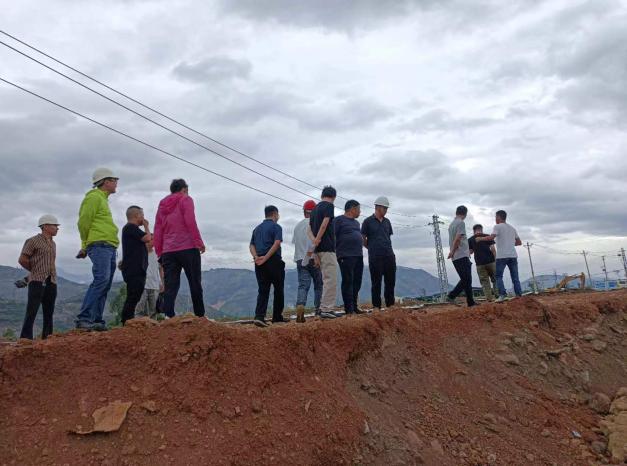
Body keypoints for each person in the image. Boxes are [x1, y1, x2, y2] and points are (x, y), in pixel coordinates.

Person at [75, 168, 120, 331]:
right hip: (100, 245)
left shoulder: (102, 199)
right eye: (114, 180)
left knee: (105, 283)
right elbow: (83, 223)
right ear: (106, 181)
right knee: (101, 280)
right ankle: (84, 318)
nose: (116, 183)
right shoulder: (93, 197)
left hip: (108, 246)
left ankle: (96, 320)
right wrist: (84, 245)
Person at [154, 179, 206, 318]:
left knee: (171, 285)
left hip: (168, 251)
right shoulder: (186, 199)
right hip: (188, 247)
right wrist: (199, 242)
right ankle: (200, 316)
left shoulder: (162, 204)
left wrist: (160, 251)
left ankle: (168, 316)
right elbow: (190, 221)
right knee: (195, 282)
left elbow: (158, 228)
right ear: (184, 189)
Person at [17, 215, 60, 339]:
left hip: (51, 280)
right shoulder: (33, 241)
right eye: (55, 226)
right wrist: (34, 270)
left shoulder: (53, 243)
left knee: (49, 311)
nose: (57, 228)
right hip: (37, 280)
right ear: (45, 226)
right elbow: (22, 259)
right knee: (32, 311)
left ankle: (48, 338)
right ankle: (25, 339)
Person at [249, 205, 286, 327]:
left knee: (263, 290)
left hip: (259, 262)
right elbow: (277, 243)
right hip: (273, 260)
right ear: (275, 214)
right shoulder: (277, 227)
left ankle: (259, 316)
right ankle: (277, 317)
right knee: (278, 289)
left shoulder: (257, 229)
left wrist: (256, 258)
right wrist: (266, 257)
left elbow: (251, 245)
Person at [477, 210, 522, 301]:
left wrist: (480, 239)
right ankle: (519, 295)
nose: (495, 219)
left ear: (498, 217)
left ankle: (502, 295)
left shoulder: (497, 226)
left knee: (498, 276)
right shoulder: (512, 228)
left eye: (495, 217)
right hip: (513, 255)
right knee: (515, 277)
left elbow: (491, 237)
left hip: (502, 256)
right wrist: (509, 244)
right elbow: (519, 242)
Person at [310, 186, 340, 318]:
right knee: (331, 279)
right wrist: (319, 238)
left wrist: (314, 242)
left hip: (318, 249)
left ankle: (324, 308)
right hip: (327, 247)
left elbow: (308, 229)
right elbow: (325, 223)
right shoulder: (329, 206)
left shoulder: (314, 209)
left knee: (325, 278)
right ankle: (326, 309)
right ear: (333, 197)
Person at [361, 196, 396, 311]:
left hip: (389, 256)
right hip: (375, 257)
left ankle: (390, 306)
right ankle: (376, 307)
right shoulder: (367, 222)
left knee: (390, 282)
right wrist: (371, 247)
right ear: (377, 207)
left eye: (386, 208)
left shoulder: (387, 222)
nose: (386, 210)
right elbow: (363, 239)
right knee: (376, 283)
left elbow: (387, 237)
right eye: (384, 208)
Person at [292, 200, 323, 323]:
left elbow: (296, 243)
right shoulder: (316, 224)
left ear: (304, 212)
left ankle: (300, 306)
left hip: (300, 259)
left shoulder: (297, 226)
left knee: (303, 285)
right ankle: (318, 309)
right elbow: (316, 242)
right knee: (318, 284)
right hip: (313, 257)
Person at [120, 206, 151, 324]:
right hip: (134, 269)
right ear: (136, 215)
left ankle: (128, 319)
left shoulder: (132, 229)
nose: (143, 218)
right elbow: (148, 238)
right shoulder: (130, 228)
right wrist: (146, 226)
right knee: (133, 295)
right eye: (142, 215)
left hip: (137, 268)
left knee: (135, 295)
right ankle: (126, 320)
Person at [335, 200, 364, 315]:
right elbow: (333, 236)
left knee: (357, 281)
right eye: (359, 209)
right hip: (345, 255)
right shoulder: (339, 220)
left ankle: (355, 306)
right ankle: (349, 309)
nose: (360, 212)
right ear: (352, 209)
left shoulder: (357, 223)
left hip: (358, 255)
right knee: (348, 281)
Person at [447, 206, 477, 307]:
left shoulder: (451, 225)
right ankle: (451, 296)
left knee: (466, 279)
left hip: (457, 256)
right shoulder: (461, 223)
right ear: (465, 214)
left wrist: (452, 252)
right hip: (460, 254)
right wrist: (452, 251)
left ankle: (470, 302)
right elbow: (458, 239)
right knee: (466, 279)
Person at [468, 224, 497, 302]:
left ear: (474, 231)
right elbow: (493, 249)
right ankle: (498, 296)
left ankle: (489, 299)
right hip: (491, 261)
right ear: (481, 229)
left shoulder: (470, 239)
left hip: (479, 263)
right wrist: (495, 260)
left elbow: (470, 252)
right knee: (495, 279)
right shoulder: (487, 236)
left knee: (484, 282)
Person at [137, 240, 164, 318]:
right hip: (142, 286)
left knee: (153, 312)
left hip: (155, 286)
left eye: (153, 239)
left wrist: (163, 282)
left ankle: (153, 328)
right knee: (139, 310)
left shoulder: (157, 254)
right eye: (150, 240)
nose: (152, 241)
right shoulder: (139, 253)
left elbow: (161, 268)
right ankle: (137, 327)